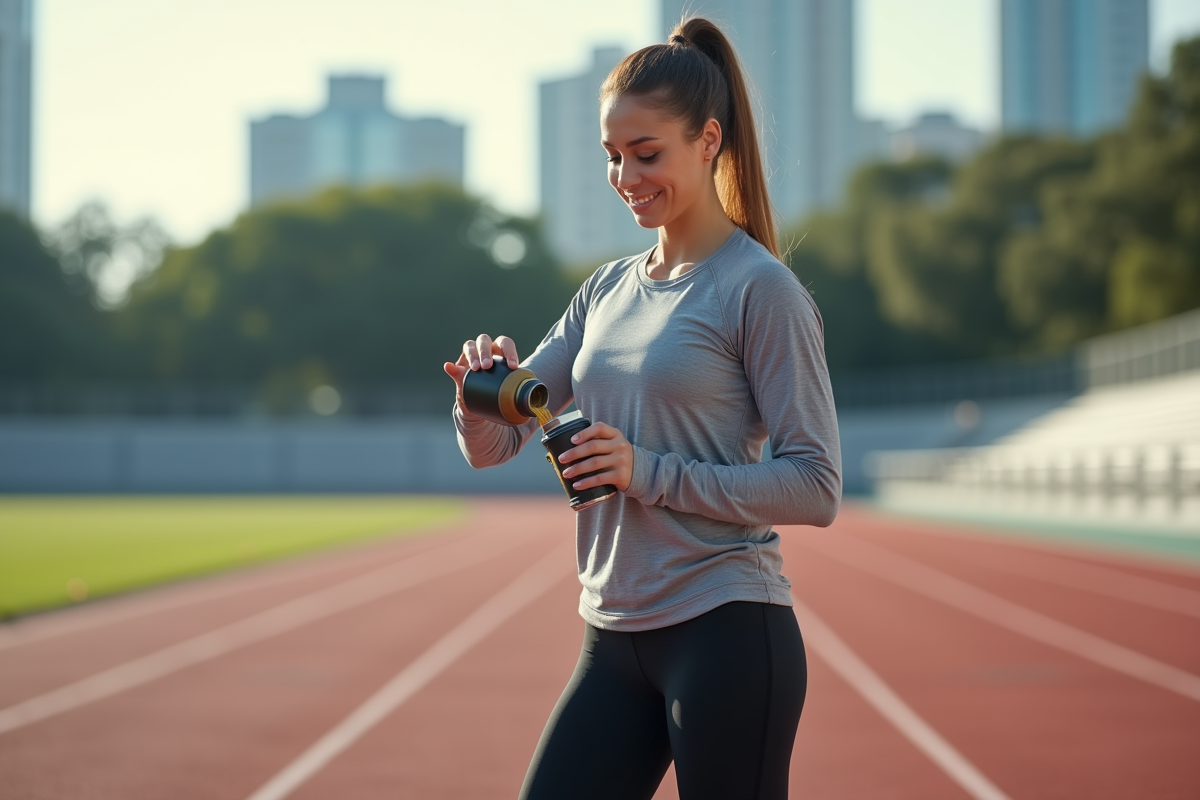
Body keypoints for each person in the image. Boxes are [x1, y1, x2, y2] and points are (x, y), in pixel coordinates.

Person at [443, 16, 841, 800]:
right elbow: (492, 449)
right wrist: (476, 399)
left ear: (708, 140)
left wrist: (645, 471)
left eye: (646, 153)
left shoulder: (759, 290)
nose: (626, 177)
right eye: (612, 156)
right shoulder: (605, 290)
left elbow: (815, 486)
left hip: (725, 629)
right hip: (612, 636)